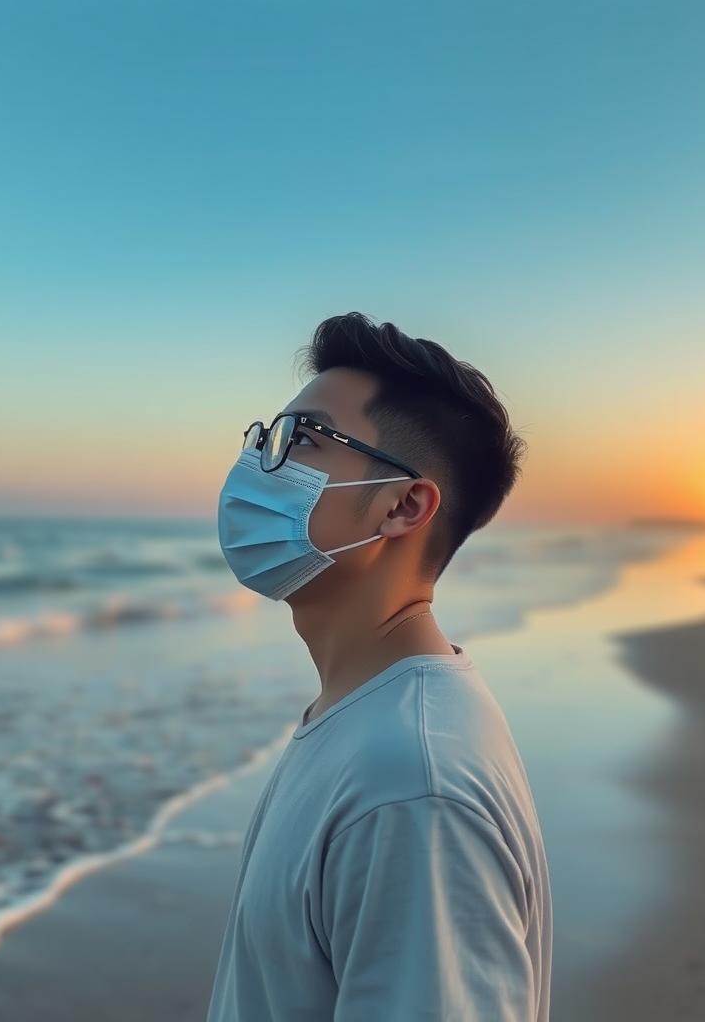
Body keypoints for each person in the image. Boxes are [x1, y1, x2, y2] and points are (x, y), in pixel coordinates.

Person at [207, 311, 552, 1021]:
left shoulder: (410, 785)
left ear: (404, 506)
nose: (257, 467)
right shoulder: (365, 717)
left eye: (302, 442)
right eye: (267, 437)